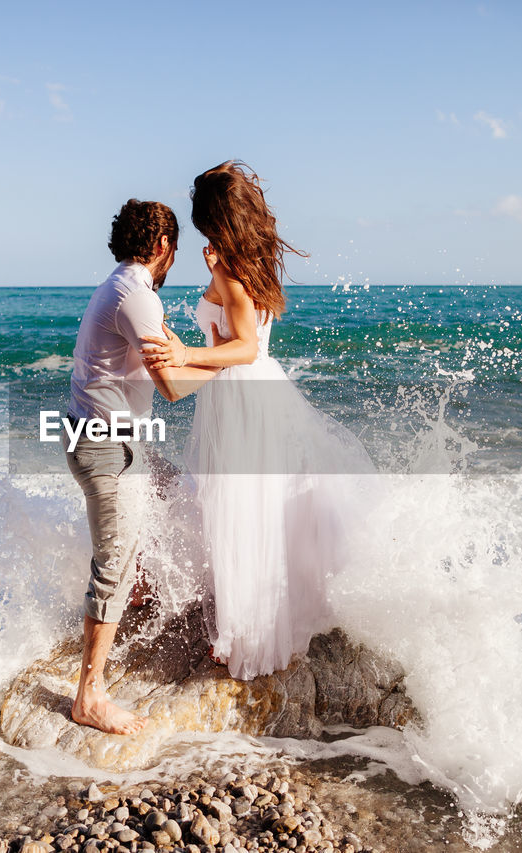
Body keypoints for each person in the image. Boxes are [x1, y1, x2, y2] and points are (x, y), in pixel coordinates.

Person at [142, 161, 373, 680]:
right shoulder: (250, 259)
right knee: (249, 506)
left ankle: (244, 634)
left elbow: (244, 348)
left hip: (241, 394)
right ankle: (248, 624)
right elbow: (240, 341)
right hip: (252, 393)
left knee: (238, 507)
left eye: (201, 219)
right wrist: (204, 347)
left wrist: (186, 354)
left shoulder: (228, 269)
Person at [65, 199, 218, 734]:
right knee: (113, 563)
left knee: (182, 496)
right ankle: (88, 696)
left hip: (118, 440)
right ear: (162, 247)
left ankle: (141, 603)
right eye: (174, 250)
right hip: (106, 447)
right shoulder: (136, 296)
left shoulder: (121, 286)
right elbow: (173, 387)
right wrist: (224, 364)